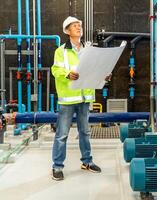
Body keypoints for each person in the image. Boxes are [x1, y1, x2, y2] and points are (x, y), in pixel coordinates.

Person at [51, 16, 101, 181]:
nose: (79, 28)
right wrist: (67, 74)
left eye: (79, 25)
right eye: (74, 26)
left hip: (84, 98)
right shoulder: (61, 51)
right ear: (67, 31)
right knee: (62, 134)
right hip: (68, 99)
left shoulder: (88, 49)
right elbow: (55, 70)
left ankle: (87, 162)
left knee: (85, 132)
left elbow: (93, 69)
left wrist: (103, 76)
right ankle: (57, 166)